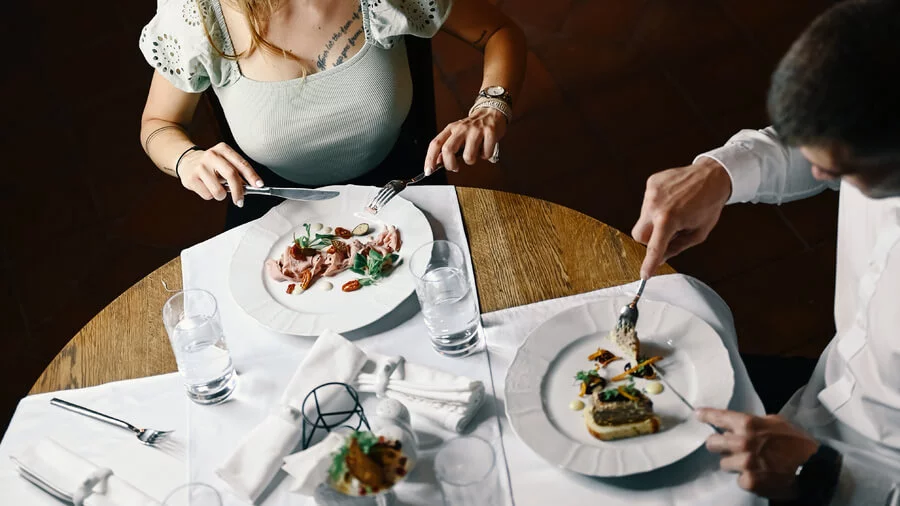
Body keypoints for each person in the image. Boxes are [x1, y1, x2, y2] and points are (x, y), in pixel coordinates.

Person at [631, 0, 900, 504]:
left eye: (838, 174)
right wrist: (720, 174)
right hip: (815, 392)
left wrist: (829, 480)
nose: (819, 177)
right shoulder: (878, 110)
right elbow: (817, 146)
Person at [137, 0, 525, 226]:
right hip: (273, 218)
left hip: (402, 196)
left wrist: (491, 106)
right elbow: (158, 125)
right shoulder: (196, 12)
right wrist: (187, 159)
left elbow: (499, 32)